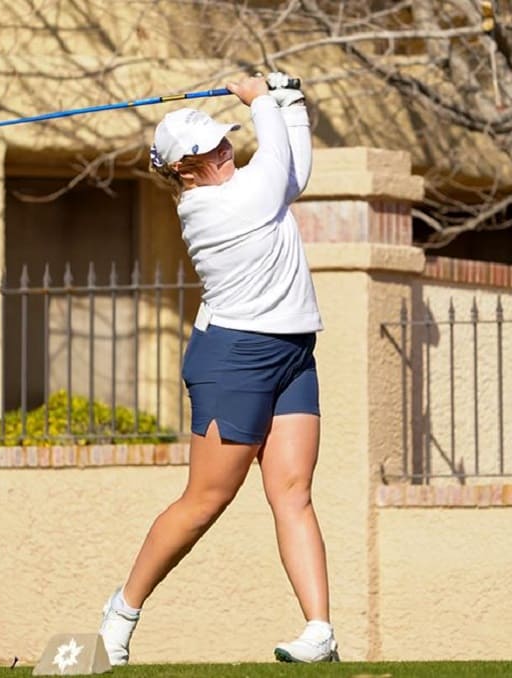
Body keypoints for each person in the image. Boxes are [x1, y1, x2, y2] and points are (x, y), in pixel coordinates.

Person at [98, 72, 338, 665]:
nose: (225, 149)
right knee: (205, 500)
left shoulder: (248, 187)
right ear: (184, 170)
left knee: (293, 493)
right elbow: (278, 156)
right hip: (234, 358)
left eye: (223, 139)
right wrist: (261, 98)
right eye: (209, 150)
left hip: (290, 353)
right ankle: (119, 616)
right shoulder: (214, 208)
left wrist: (291, 101)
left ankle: (319, 632)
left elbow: (294, 171)